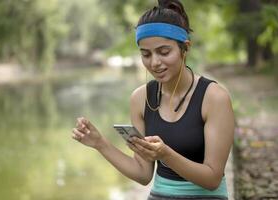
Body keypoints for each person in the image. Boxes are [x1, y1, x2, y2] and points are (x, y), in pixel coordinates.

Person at [72, 0, 235, 199]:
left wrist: (166, 154)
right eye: (146, 54)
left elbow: (212, 179)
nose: (155, 63)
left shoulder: (214, 98)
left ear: (185, 48)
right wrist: (100, 143)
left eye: (164, 52)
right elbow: (143, 174)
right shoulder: (140, 98)